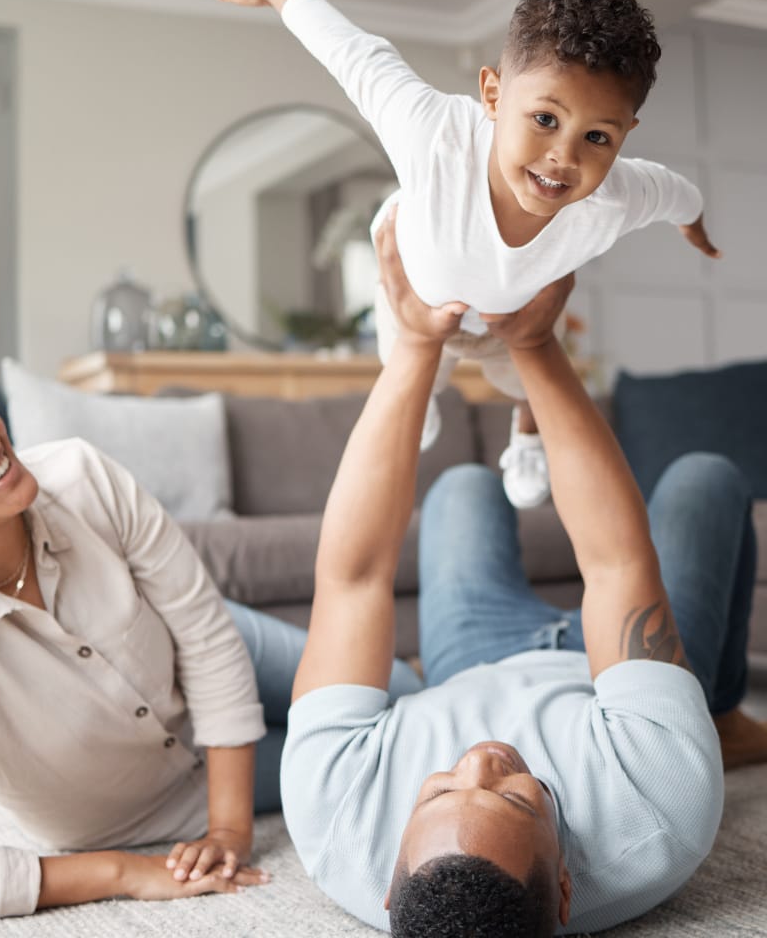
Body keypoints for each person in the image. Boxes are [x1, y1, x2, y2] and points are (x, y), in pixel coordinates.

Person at [277, 208, 765, 937]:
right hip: (617, 696)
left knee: (463, 490)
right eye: (516, 798)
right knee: (704, 481)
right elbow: (615, 565)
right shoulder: (659, 806)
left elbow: (353, 577)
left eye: (437, 789)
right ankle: (719, 712)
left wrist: (414, 346)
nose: (482, 759)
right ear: (566, 890)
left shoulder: (334, 814)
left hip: (478, 655)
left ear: (386, 887)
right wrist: (534, 343)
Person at [0, 362, 424, 925]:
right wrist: (125, 872)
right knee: (394, 742)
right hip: (147, 807)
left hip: (194, 644)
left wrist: (230, 829)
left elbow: (205, 638)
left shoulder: (80, 474)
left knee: (401, 688)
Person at [207, 0, 721, 510]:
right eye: (545, 118)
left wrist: (696, 228)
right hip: (415, 302)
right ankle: (425, 394)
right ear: (493, 95)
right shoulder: (431, 133)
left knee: (532, 384)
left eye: (597, 137)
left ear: (625, 134)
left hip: (508, 319)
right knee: (407, 372)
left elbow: (675, 193)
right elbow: (353, 54)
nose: (565, 158)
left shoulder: (617, 196)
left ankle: (526, 437)